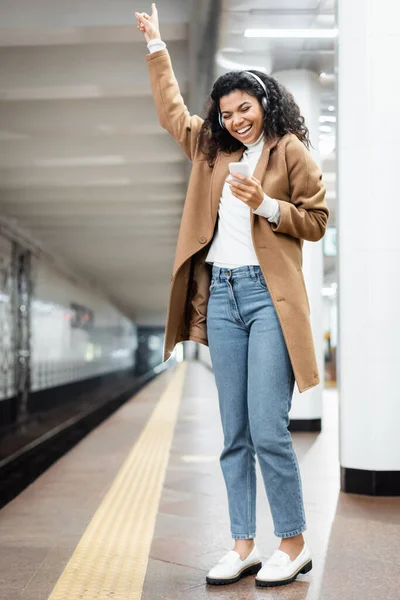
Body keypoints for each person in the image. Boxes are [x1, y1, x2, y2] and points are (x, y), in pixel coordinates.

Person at [135, 3, 329, 588]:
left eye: (244, 108)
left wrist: (265, 206)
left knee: (269, 427)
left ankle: (291, 544)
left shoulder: (289, 149)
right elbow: (172, 111)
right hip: (221, 297)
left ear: (264, 103)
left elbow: (318, 219)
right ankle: (244, 543)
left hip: (269, 299)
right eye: (227, 112)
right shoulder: (209, 149)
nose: (237, 119)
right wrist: (156, 48)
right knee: (233, 432)